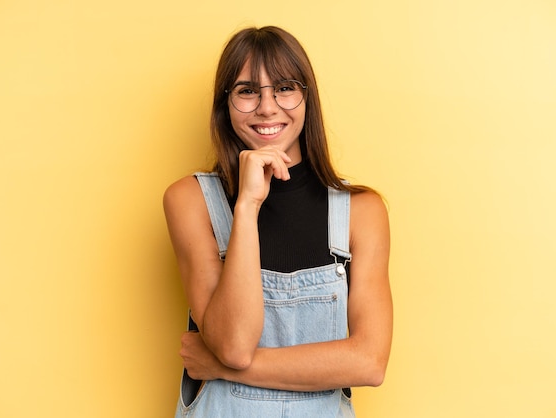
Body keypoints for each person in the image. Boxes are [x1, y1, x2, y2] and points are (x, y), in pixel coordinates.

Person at [163, 25, 392, 417]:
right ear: (226, 104)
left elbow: (368, 363)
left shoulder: (362, 211)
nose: (267, 107)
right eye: (247, 91)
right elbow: (233, 343)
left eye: (285, 88)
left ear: (307, 98)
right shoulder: (191, 201)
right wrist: (248, 204)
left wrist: (222, 367)